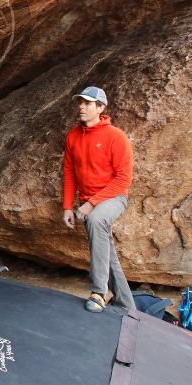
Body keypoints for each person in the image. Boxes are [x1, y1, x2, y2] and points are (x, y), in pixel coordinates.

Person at [62, 86, 136, 313]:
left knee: (95, 221)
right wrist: (67, 206)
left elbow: (123, 179)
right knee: (105, 251)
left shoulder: (116, 136)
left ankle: (98, 292)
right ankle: (127, 305)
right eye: (80, 102)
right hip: (88, 201)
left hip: (114, 197)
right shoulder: (73, 136)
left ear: (100, 108)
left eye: (87, 103)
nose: (82, 106)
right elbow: (69, 172)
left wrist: (91, 203)